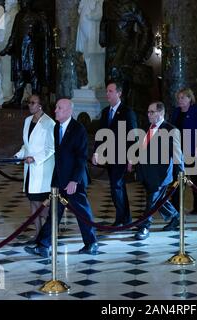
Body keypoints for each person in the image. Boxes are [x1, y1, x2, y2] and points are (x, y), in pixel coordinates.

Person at [25, 99, 98, 258]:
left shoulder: (78, 129)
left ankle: (91, 243)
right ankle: (43, 245)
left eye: (59, 108)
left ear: (69, 111)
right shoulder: (57, 126)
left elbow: (81, 157)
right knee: (54, 213)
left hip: (74, 180)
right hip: (59, 179)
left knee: (82, 212)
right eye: (56, 107)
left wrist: (74, 181)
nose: (56, 110)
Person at [134, 101, 184, 240]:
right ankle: (175, 217)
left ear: (161, 113)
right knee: (158, 200)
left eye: (152, 112)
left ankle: (145, 227)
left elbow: (177, 154)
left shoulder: (170, 130)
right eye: (148, 112)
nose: (148, 114)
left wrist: (181, 173)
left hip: (160, 174)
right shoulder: (146, 127)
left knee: (152, 200)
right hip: (146, 172)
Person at [92, 81, 137, 227]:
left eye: (110, 91)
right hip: (110, 156)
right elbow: (100, 135)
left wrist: (132, 158)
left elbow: (133, 136)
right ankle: (126, 218)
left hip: (122, 156)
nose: (107, 94)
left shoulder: (127, 112)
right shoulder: (106, 112)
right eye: (107, 91)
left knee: (116, 186)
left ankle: (120, 219)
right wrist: (96, 152)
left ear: (119, 93)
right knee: (118, 186)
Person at [14, 94, 55, 241]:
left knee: (42, 205)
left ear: (40, 105)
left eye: (32, 103)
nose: (29, 105)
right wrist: (18, 156)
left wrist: (35, 159)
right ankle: (38, 233)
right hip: (30, 170)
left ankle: (49, 233)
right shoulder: (27, 121)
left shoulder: (49, 123)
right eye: (28, 102)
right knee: (32, 201)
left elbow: (51, 148)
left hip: (42, 169)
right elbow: (27, 145)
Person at [0, 0, 52, 108]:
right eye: (21, 1)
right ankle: (17, 98)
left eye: (24, 1)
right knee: (19, 75)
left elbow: (45, 36)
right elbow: (13, 35)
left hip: (33, 52)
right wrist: (8, 48)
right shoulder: (19, 16)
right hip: (19, 52)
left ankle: (35, 99)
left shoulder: (38, 16)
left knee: (34, 76)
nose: (22, 3)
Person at [170, 88, 197, 215]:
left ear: (189, 98)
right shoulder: (176, 112)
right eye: (179, 98)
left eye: (183, 97)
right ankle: (176, 208)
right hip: (179, 152)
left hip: (195, 151)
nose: (180, 100)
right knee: (178, 180)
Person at [76, 0, 106, 89]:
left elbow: (100, 13)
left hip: (94, 32)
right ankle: (91, 82)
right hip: (84, 31)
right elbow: (80, 10)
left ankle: (98, 83)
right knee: (87, 57)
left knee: (96, 58)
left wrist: (91, 16)